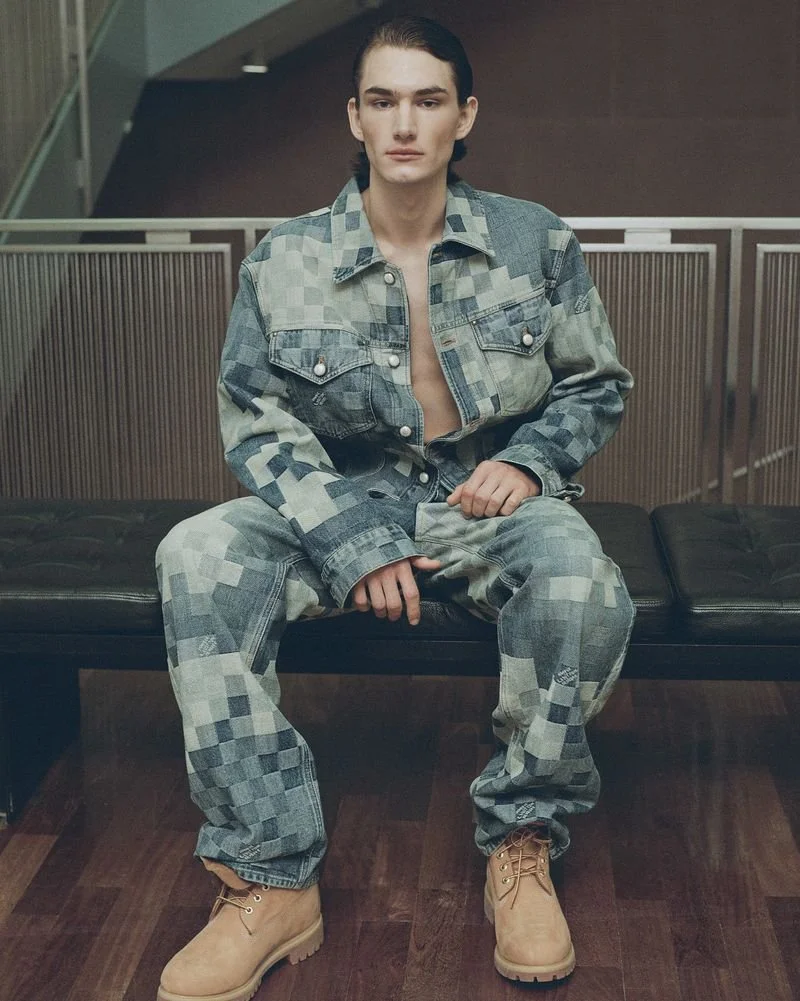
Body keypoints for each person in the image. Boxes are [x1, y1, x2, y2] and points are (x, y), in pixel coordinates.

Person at [155, 15, 635, 1001]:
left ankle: (521, 840)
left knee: (579, 578)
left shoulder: (534, 239)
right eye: (382, 101)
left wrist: (530, 462)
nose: (404, 123)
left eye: (427, 100)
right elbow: (256, 424)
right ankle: (269, 877)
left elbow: (594, 384)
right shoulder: (284, 258)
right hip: (335, 498)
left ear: (465, 116)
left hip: (480, 498)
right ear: (355, 118)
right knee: (195, 553)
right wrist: (352, 539)